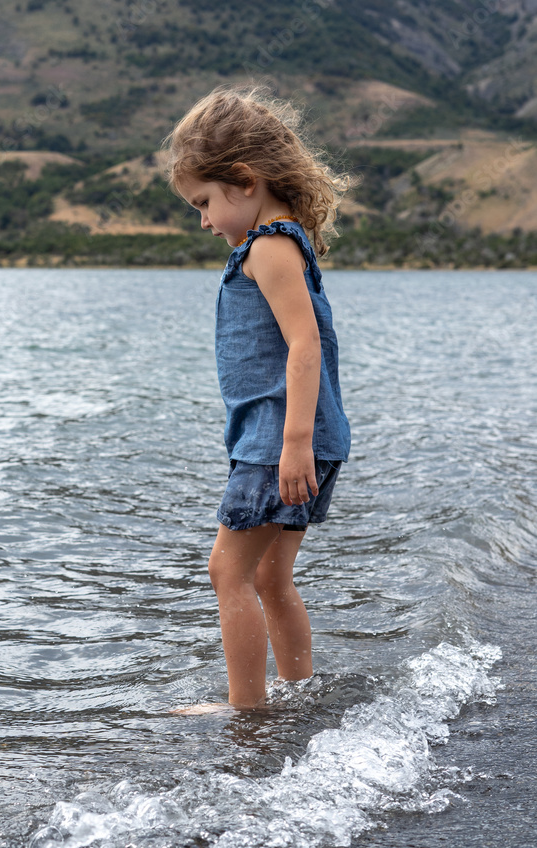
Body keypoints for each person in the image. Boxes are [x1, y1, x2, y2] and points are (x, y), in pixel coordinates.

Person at [164, 84, 354, 712]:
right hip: (294, 438)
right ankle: (298, 692)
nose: (204, 221)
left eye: (205, 202)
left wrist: (293, 444)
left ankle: (245, 710)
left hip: (280, 441)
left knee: (228, 571)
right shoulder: (282, 242)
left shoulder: (270, 247)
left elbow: (305, 345)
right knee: (270, 574)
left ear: (245, 181)